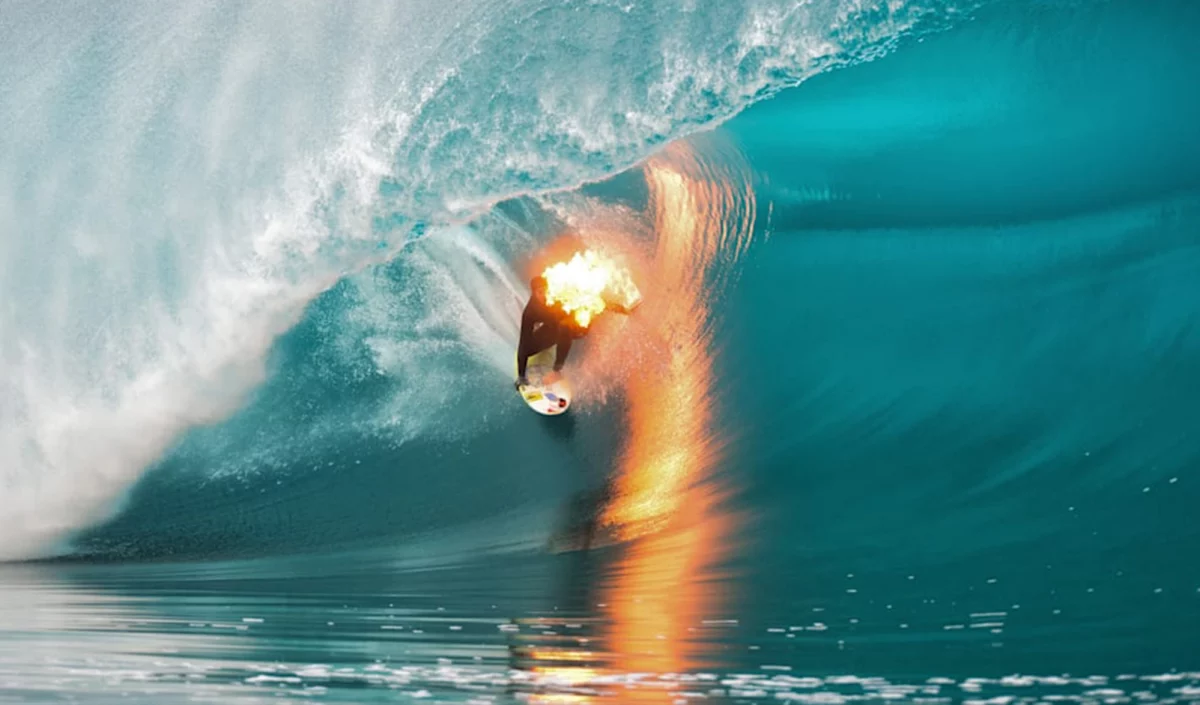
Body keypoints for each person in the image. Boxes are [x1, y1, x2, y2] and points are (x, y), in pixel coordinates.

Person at [515, 275, 632, 389]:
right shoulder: (530, 312)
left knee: (564, 326)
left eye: (546, 291)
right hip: (554, 328)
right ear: (534, 293)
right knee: (528, 349)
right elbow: (523, 342)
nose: (544, 295)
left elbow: (595, 300)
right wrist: (521, 376)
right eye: (540, 292)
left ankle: (557, 371)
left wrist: (622, 309)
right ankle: (549, 342)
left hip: (577, 327)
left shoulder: (558, 294)